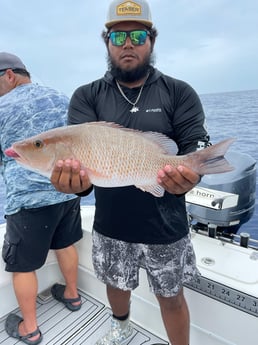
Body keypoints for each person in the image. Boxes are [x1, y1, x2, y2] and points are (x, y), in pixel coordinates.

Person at [51, 1, 211, 344]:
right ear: (106, 41)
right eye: (118, 35)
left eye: (138, 35)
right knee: (116, 286)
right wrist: (76, 186)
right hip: (112, 226)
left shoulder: (179, 92)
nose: (128, 43)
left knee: (171, 297)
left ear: (151, 40)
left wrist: (191, 175)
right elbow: (82, 169)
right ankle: (120, 327)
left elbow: (196, 146)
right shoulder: (86, 96)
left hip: (167, 226)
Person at [0, 52, 83, 345]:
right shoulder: (60, 96)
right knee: (65, 243)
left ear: (10, 75)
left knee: (22, 265)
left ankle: (30, 329)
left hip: (28, 202)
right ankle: (72, 295)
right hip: (68, 190)